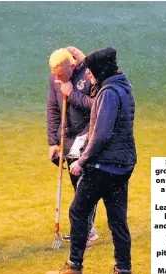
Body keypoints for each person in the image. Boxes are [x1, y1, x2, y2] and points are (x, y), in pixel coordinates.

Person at [46, 47, 137, 274]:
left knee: (78, 211)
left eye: (92, 72)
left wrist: (82, 161)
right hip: (123, 164)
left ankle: (73, 269)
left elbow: (101, 135)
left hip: (103, 166)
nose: (90, 77)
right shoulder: (123, 88)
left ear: (100, 72)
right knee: (118, 220)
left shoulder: (108, 93)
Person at [47, 47, 99, 246]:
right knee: (76, 185)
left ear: (73, 65)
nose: (57, 77)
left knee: (84, 186)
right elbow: (52, 108)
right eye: (54, 74)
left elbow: (97, 106)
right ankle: (88, 229)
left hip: (86, 136)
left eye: (61, 73)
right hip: (67, 139)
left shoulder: (88, 77)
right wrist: (53, 141)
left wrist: (72, 93)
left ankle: (83, 232)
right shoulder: (54, 79)